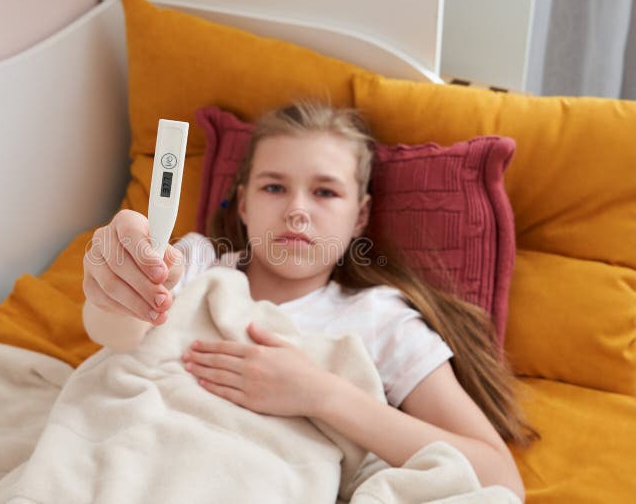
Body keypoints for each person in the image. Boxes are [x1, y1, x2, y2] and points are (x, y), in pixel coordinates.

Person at [82, 100, 537, 501]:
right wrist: (115, 286)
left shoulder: (378, 319)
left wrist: (319, 394)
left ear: (360, 215)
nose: (297, 210)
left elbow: (499, 479)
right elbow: (115, 334)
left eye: (325, 192)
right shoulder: (196, 264)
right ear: (242, 204)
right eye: (274, 187)